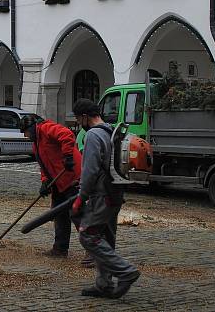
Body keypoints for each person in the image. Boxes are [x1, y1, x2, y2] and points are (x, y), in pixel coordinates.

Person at [71, 98, 140, 299]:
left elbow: (90, 170)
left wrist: (80, 197)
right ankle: (104, 285)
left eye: (77, 118)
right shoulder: (112, 131)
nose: (77, 122)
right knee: (107, 239)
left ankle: (126, 272)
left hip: (100, 196)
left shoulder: (93, 135)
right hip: (115, 193)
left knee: (88, 235)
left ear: (84, 116)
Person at [19, 114, 81, 258]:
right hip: (58, 183)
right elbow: (43, 166)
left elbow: (67, 134)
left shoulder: (46, 128)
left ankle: (93, 251)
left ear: (32, 127)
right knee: (59, 215)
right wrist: (45, 181)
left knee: (78, 214)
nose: (26, 136)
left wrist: (68, 156)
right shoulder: (36, 144)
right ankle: (60, 249)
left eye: (26, 132)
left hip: (72, 178)